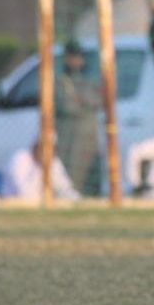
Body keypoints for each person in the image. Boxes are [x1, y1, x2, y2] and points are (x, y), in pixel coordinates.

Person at [55, 41, 102, 196]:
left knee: (90, 172)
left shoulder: (91, 79)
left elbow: (98, 100)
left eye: (78, 57)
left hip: (87, 134)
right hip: (67, 135)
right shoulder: (60, 80)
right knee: (69, 172)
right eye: (72, 57)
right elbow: (67, 105)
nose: (76, 61)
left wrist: (81, 100)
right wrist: (82, 102)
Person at [3, 138, 80, 200]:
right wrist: (40, 166)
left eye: (51, 148)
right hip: (15, 203)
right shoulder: (20, 158)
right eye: (43, 147)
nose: (47, 151)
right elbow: (24, 194)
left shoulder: (54, 162)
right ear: (36, 146)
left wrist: (77, 200)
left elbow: (64, 188)